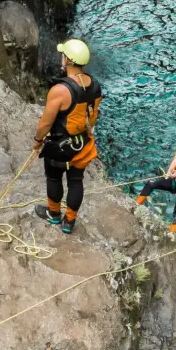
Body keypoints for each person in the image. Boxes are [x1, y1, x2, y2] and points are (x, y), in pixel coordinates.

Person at [33, 38, 103, 234]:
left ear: (69, 60)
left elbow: (46, 123)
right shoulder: (95, 85)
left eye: (63, 55)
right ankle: (69, 221)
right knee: (76, 181)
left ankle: (54, 215)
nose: (61, 58)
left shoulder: (60, 90)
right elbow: (93, 116)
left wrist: (38, 141)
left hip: (59, 147)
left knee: (54, 179)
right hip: (82, 144)